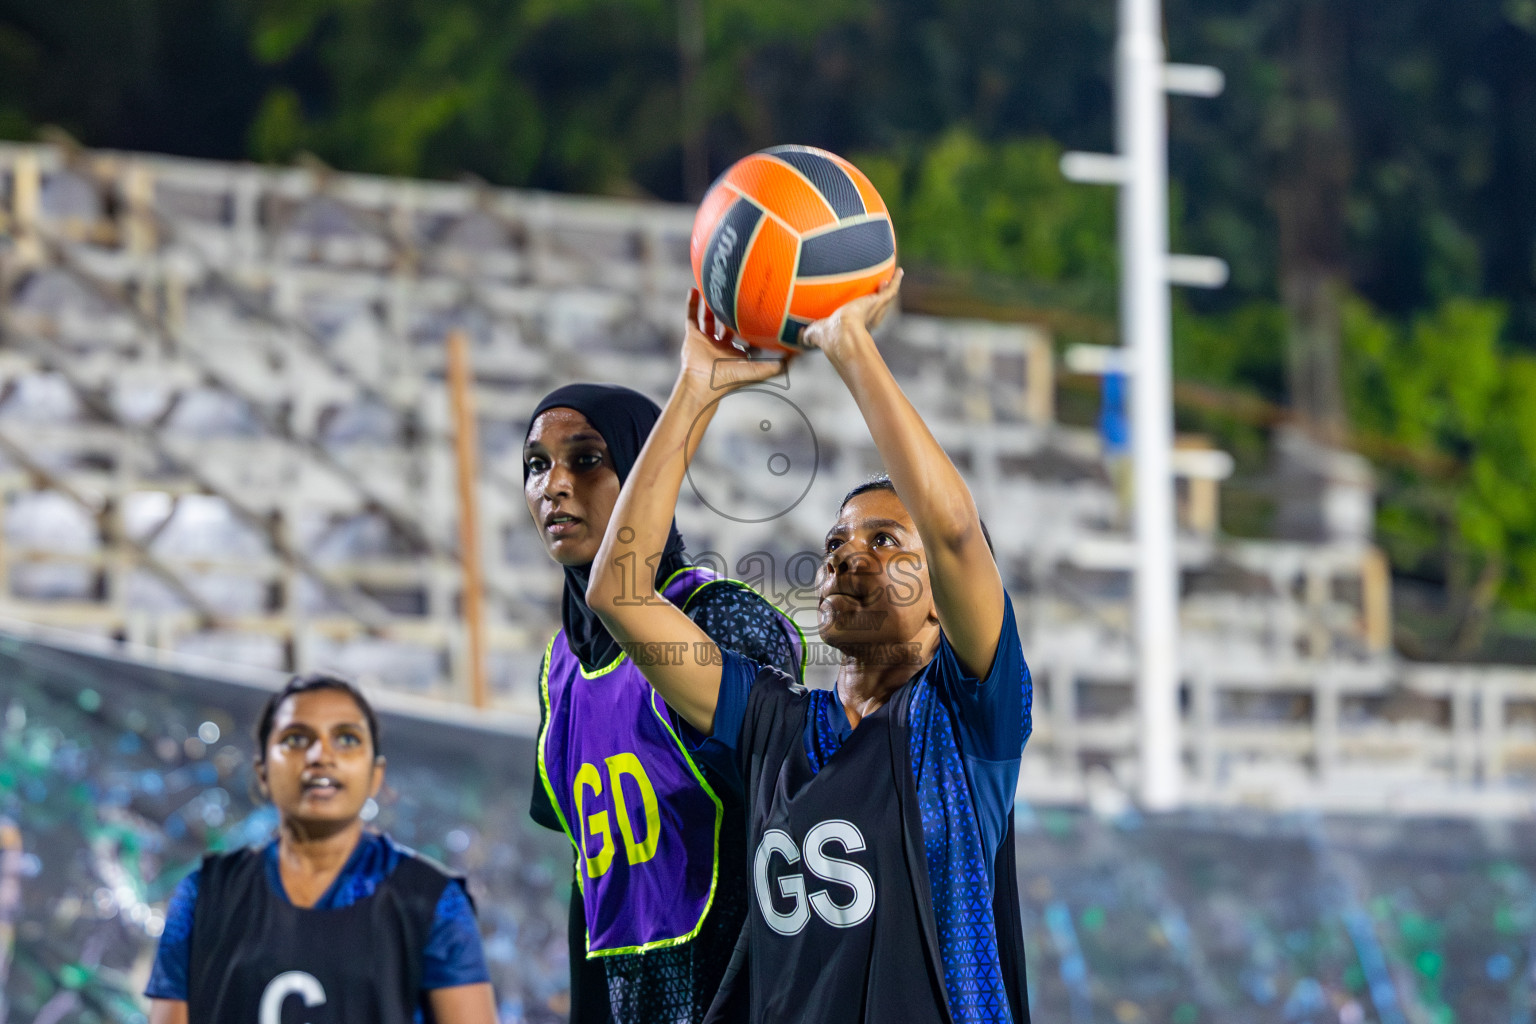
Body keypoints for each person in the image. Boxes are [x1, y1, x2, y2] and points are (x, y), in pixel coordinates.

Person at [587, 273, 1033, 1024]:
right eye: (835, 541)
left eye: (884, 541)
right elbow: (618, 595)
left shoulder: (967, 720)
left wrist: (849, 345)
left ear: (941, 604)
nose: (845, 556)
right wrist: (696, 389)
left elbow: (955, 533)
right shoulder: (772, 725)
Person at [523, 383, 804, 1024]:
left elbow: (795, 830)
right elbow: (588, 886)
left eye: (586, 458)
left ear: (646, 476)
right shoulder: (557, 671)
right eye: (537, 464)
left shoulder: (718, 618)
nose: (553, 485)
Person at [145, 674, 497, 1024]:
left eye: (346, 738)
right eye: (296, 739)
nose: (320, 755)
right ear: (263, 772)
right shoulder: (203, 897)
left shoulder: (433, 903)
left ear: (376, 774)